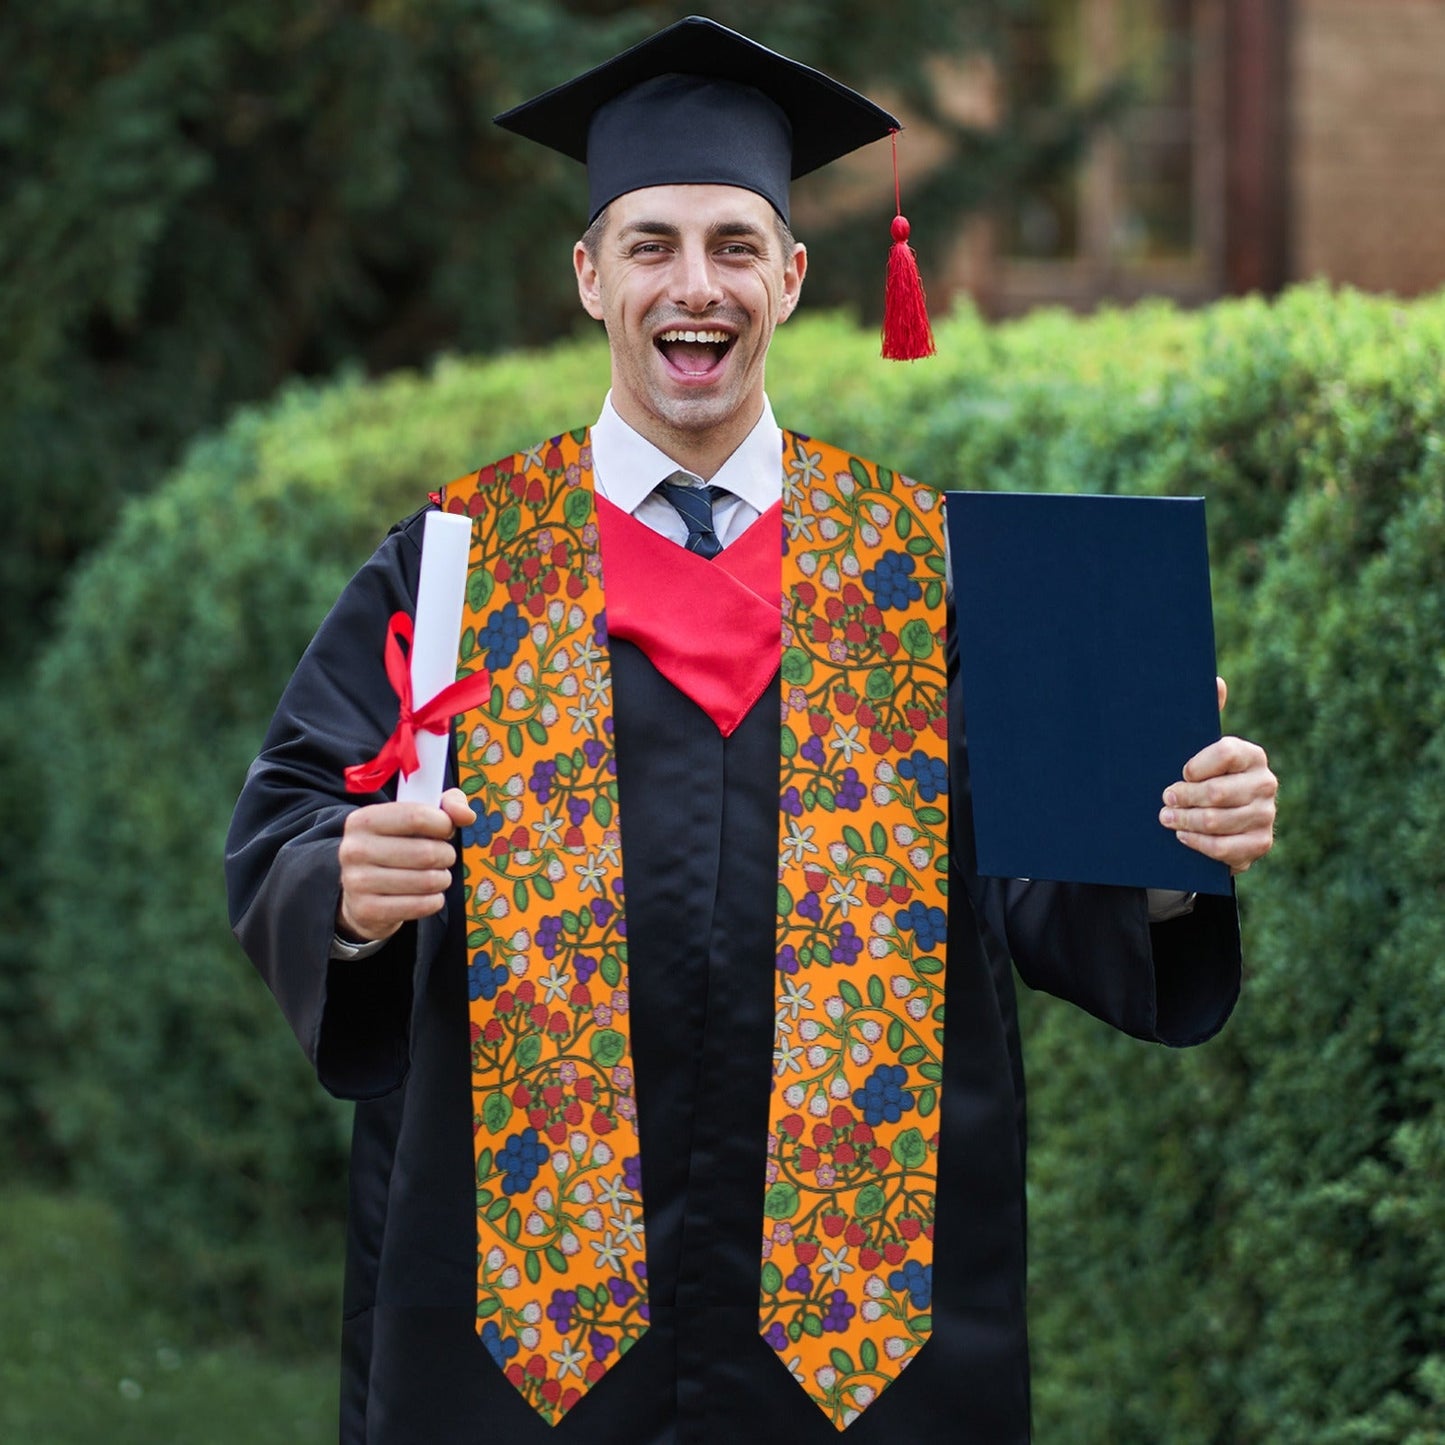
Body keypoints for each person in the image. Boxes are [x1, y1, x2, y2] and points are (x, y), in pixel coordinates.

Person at [225, 17, 1277, 1445]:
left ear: (789, 275)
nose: (692, 285)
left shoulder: (924, 572)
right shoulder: (462, 562)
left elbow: (1040, 883)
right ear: (589, 275)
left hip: (861, 1328)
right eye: (650, 244)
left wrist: (1166, 844)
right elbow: (290, 818)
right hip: (526, 1327)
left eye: (732, 244)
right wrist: (342, 888)